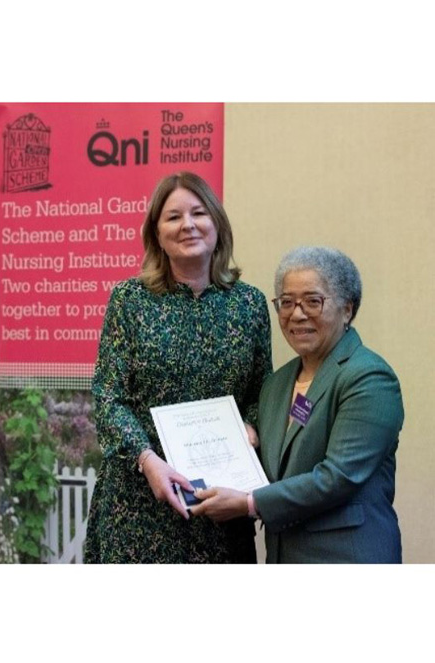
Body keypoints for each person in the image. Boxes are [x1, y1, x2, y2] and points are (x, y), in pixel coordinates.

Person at [85, 171, 272, 563]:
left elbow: (261, 392)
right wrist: (146, 459)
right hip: (139, 503)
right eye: (173, 217)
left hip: (221, 505)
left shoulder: (250, 304)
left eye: (198, 213)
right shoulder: (129, 300)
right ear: (156, 233)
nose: (187, 225)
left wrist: (251, 429)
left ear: (217, 223)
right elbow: (108, 396)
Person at [192, 247, 403, 563]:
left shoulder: (368, 377)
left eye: (313, 301)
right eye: (286, 303)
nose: (297, 314)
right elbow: (271, 468)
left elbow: (338, 477)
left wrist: (250, 503)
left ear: (347, 309)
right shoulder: (277, 384)